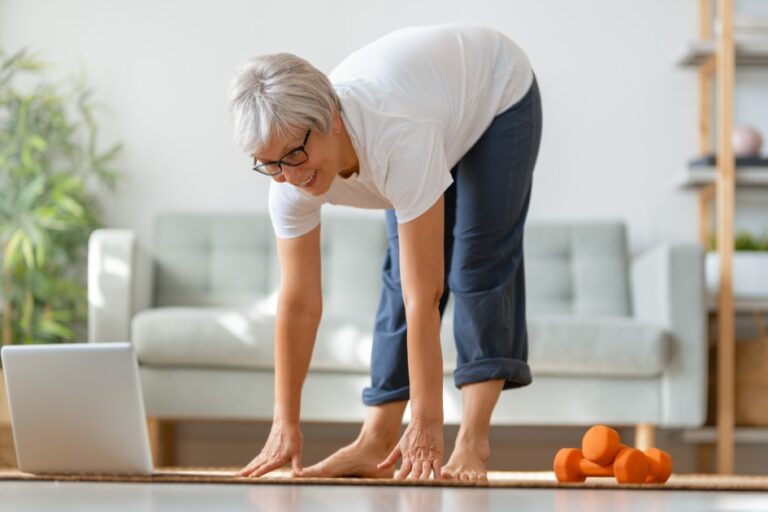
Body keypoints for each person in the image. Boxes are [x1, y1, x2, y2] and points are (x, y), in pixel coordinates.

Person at [228, 24, 542, 482]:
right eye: (271, 164)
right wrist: (284, 423)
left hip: (496, 94)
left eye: (294, 155)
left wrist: (427, 423)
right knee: (399, 274)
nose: (289, 176)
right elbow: (298, 303)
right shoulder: (287, 179)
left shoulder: (397, 136)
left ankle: (472, 443)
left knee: (477, 263)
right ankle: (375, 441)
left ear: (332, 119)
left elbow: (424, 296)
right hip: (431, 107)